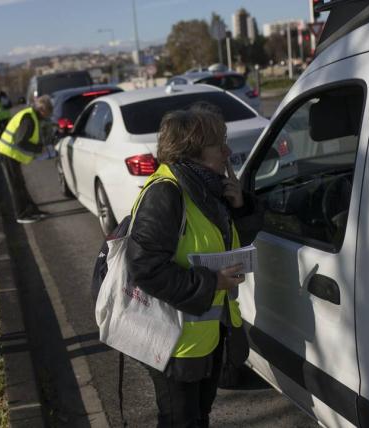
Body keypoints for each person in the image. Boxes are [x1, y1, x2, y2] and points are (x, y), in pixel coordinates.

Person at [126, 107, 260, 427]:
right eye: (218, 144)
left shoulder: (207, 189)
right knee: (180, 421)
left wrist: (240, 207)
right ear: (192, 150)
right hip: (174, 342)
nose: (227, 151)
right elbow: (145, 267)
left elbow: (226, 244)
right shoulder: (166, 193)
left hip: (206, 335)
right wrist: (212, 283)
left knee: (198, 417)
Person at [0, 95, 53, 224]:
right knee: (16, 185)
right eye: (48, 112)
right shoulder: (29, 118)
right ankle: (21, 214)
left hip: (10, 153)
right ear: (42, 109)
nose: (48, 115)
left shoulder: (31, 115)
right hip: (8, 153)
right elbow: (20, 142)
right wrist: (38, 148)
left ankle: (31, 210)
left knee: (20, 184)